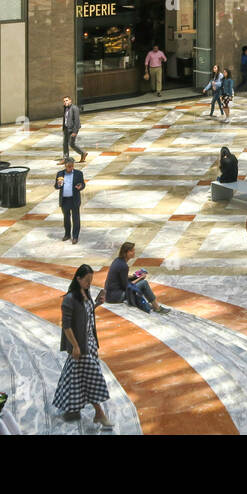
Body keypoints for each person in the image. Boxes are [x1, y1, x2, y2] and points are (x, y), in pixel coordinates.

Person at [53, 264, 114, 429]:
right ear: (78, 279)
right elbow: (66, 326)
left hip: (90, 343)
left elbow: (86, 315)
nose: (89, 283)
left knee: (75, 377)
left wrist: (97, 304)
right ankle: (99, 413)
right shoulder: (69, 299)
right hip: (81, 346)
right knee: (92, 378)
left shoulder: (85, 293)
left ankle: (65, 401)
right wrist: (75, 346)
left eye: (91, 280)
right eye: (87, 280)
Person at [105, 241, 167, 313]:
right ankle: (157, 308)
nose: (134, 252)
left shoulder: (117, 260)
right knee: (144, 283)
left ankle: (148, 304)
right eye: (131, 251)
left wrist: (134, 276)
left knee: (138, 281)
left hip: (109, 294)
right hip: (116, 297)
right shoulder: (124, 266)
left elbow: (122, 278)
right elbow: (127, 286)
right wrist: (140, 278)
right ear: (125, 253)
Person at [54, 157, 86, 244]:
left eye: (72, 166)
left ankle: (75, 236)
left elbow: (83, 184)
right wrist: (58, 184)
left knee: (76, 219)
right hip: (64, 200)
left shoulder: (78, 173)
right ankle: (67, 234)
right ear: (65, 165)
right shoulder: (60, 174)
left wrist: (80, 187)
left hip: (74, 199)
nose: (70, 168)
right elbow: (56, 187)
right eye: (69, 166)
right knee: (66, 218)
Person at [61, 95, 87, 163]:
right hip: (66, 128)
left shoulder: (74, 108)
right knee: (64, 144)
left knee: (72, 144)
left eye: (66, 100)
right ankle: (65, 158)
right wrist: (64, 127)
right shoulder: (65, 108)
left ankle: (83, 153)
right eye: (64, 101)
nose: (65, 102)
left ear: (70, 100)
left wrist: (75, 132)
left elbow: (77, 121)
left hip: (72, 129)